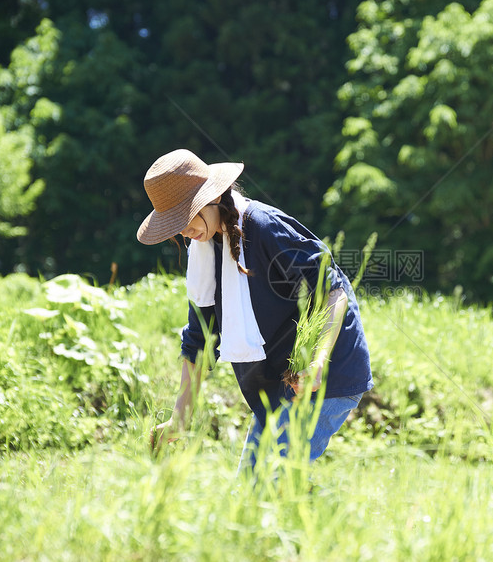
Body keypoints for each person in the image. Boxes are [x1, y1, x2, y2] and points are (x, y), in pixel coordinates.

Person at [137, 148, 373, 470]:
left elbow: (333, 292)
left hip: (326, 371)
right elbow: (200, 338)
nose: (183, 231)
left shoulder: (264, 227)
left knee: (268, 487)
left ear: (214, 198)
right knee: (251, 498)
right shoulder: (206, 253)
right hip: (279, 383)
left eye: (186, 216)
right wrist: (180, 418)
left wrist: (318, 362)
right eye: (175, 224)